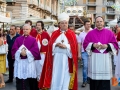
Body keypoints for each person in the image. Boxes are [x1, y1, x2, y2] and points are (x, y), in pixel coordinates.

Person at [38, 12, 78, 90]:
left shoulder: (71, 34)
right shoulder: (54, 33)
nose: (64, 24)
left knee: (65, 76)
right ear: (59, 24)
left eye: (66, 23)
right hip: (56, 59)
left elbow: (74, 48)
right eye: (62, 23)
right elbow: (49, 46)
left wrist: (65, 46)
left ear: (67, 24)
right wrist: (55, 45)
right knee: (55, 75)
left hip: (66, 60)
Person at [83, 16, 118, 90]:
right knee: (94, 82)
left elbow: (115, 45)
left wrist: (107, 45)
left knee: (104, 83)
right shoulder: (90, 33)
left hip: (105, 60)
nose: (99, 23)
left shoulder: (109, 33)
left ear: (103, 22)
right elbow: (85, 44)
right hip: (94, 59)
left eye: (101, 21)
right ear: (95, 23)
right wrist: (93, 45)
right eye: (97, 22)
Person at [11, 24, 41, 90]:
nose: (25, 30)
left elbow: (35, 50)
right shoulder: (18, 39)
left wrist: (27, 53)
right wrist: (20, 52)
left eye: (27, 29)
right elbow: (14, 49)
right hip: (20, 62)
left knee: (29, 80)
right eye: (24, 29)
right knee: (19, 80)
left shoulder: (33, 40)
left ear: (30, 30)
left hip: (29, 62)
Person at [78, 20, 91, 87]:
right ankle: (84, 81)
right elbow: (79, 44)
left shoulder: (93, 32)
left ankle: (89, 79)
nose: (88, 25)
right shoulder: (81, 34)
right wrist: (79, 54)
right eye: (87, 24)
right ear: (84, 25)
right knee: (85, 67)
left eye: (89, 24)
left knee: (91, 67)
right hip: (84, 52)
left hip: (92, 52)